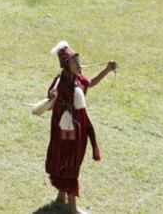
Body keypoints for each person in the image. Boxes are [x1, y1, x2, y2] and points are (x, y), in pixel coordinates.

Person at [41, 42, 117, 213]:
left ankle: (61, 197)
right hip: (64, 132)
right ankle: (73, 210)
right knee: (69, 163)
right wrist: (53, 95)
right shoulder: (60, 82)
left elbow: (91, 82)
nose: (79, 63)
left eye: (79, 60)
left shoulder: (79, 80)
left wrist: (107, 69)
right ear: (66, 65)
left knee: (69, 162)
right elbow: (51, 95)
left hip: (78, 130)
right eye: (75, 61)